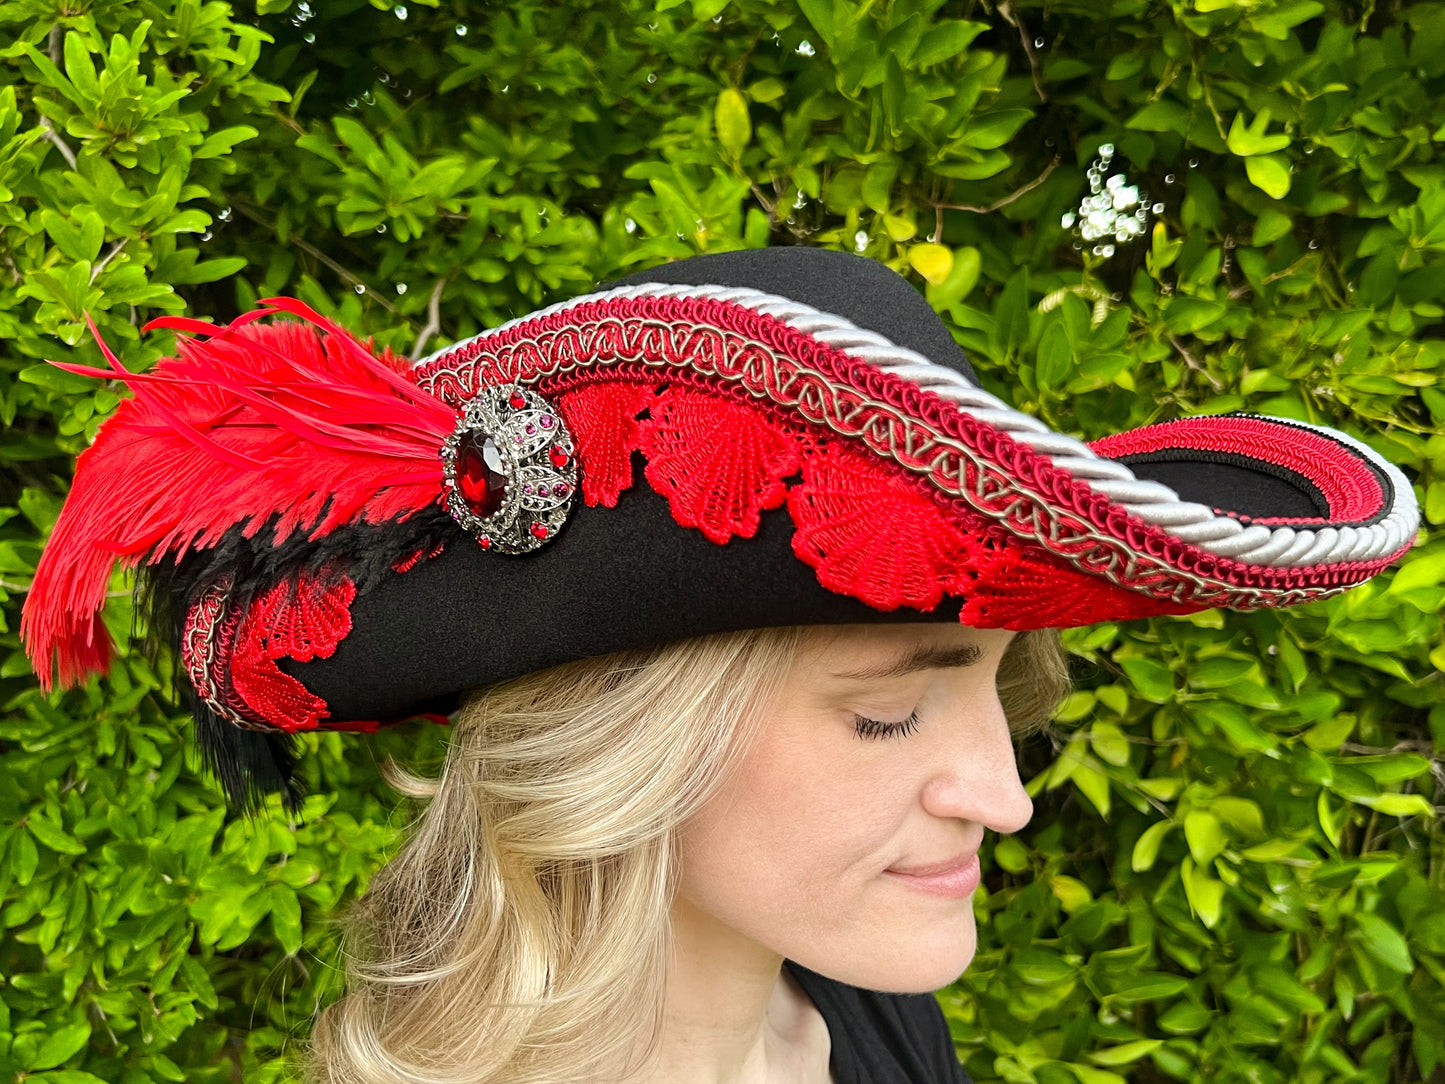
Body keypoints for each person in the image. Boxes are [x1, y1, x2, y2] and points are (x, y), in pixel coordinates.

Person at [22, 247, 1418, 1083]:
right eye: (884, 716)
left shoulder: (861, 1022)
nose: (1001, 798)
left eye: (990, 686)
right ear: (629, 746)